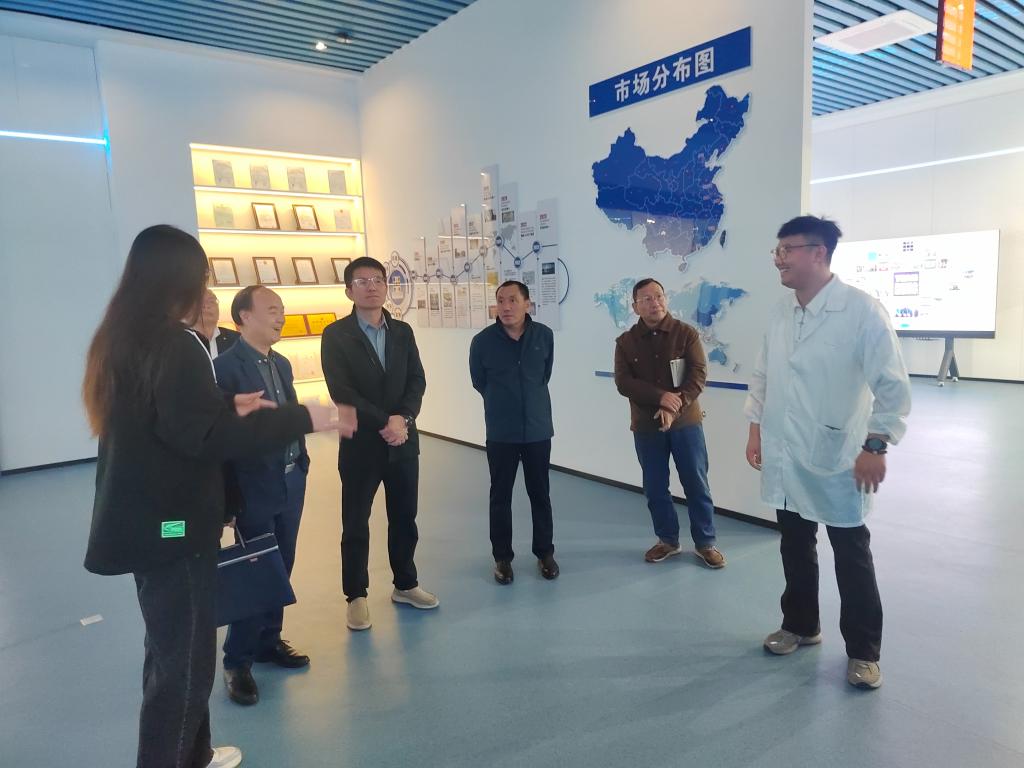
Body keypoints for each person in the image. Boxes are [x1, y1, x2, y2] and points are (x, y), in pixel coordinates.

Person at [82, 225, 355, 768]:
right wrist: (303, 417)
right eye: (202, 277)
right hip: (173, 527)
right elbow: (207, 439)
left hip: (150, 522)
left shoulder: (126, 337)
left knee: (173, 650)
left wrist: (225, 405)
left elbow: (174, 420)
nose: (206, 292)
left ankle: (197, 752)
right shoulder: (176, 343)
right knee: (183, 665)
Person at [744, 215, 911, 690]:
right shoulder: (781, 312)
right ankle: (800, 624)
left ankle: (864, 651)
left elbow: (892, 386)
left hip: (839, 452)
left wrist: (876, 444)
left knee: (850, 552)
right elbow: (763, 374)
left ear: (818, 253)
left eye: (787, 250)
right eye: (777, 251)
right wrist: (755, 429)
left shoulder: (861, 311)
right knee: (794, 543)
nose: (779, 259)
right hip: (784, 449)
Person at [321, 256, 438, 631]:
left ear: (387, 286)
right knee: (356, 522)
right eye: (362, 281)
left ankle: (405, 584)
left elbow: (417, 380)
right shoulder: (336, 335)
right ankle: (356, 596)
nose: (371, 287)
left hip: (403, 440)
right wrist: (385, 421)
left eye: (377, 280)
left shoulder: (402, 331)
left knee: (404, 517)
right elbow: (341, 390)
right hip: (361, 444)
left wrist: (403, 418)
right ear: (348, 291)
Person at [214, 286, 312, 706]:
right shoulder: (224, 369)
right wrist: (228, 500)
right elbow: (220, 440)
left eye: (282, 310)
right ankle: (237, 661)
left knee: (282, 565)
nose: (281, 316)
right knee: (255, 571)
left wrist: (301, 460)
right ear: (244, 317)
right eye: (272, 309)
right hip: (252, 486)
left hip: (291, 478)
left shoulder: (282, 363)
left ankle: (269, 641)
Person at [613, 278, 725, 569]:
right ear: (635, 306)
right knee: (655, 487)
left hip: (686, 423)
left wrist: (674, 406)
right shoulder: (625, 342)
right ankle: (667, 540)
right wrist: (661, 397)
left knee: (696, 484)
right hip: (646, 427)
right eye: (647, 299)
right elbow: (624, 383)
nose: (655, 303)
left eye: (659, 296)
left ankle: (706, 543)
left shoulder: (686, 334)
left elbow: (698, 376)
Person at [469, 280, 558, 585]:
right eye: (501, 301)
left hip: (537, 429)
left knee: (540, 494)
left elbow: (544, 375)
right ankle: (502, 558)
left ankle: (545, 553)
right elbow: (479, 381)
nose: (506, 307)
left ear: (527, 304)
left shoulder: (544, 336)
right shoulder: (482, 341)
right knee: (500, 496)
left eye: (512, 300)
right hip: (501, 431)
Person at [193, 288, 240, 358]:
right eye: (200, 302)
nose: (206, 306)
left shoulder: (237, 340)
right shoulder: (180, 340)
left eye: (211, 301)